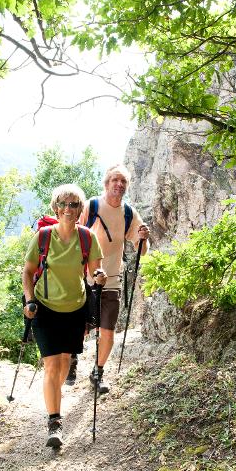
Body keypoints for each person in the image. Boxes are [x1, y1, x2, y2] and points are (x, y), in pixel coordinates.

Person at [22, 184, 105, 448]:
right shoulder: (44, 237)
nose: (69, 209)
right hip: (44, 308)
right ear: (56, 208)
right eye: (64, 204)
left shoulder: (87, 238)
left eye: (74, 205)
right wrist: (29, 300)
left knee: (65, 362)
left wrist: (99, 277)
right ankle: (54, 422)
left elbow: (94, 271)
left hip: (74, 309)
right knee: (51, 365)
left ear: (81, 209)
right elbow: (27, 271)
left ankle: (52, 395)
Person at [66, 164, 150, 394]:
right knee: (79, 327)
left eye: (123, 181)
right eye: (115, 180)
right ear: (106, 183)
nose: (119, 184)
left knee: (108, 332)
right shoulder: (91, 206)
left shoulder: (129, 213)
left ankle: (97, 372)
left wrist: (142, 237)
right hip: (83, 279)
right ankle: (72, 360)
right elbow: (71, 234)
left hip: (112, 280)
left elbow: (141, 249)